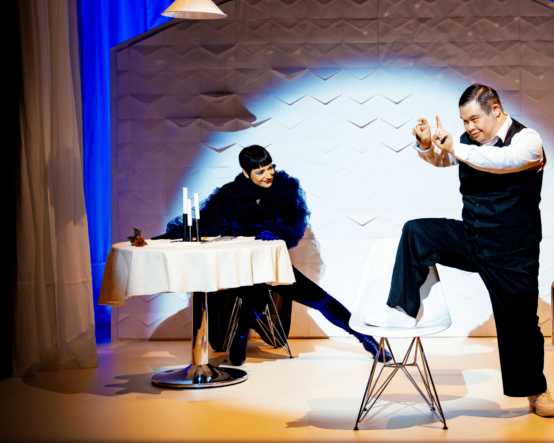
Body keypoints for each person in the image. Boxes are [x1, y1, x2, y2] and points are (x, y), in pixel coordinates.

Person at [363, 83, 554, 417]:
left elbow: (501, 161)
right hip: (472, 238)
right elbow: (444, 160)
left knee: (521, 326)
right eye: (463, 121)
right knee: (417, 231)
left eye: (473, 120)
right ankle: (403, 310)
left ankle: (536, 391)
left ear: (495, 110)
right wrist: (426, 145)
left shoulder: (528, 140)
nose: (469, 128)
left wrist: (455, 146)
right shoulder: (468, 141)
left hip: (514, 251)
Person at [156, 145, 384, 365]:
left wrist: (275, 232)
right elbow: (206, 225)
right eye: (259, 171)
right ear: (246, 173)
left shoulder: (284, 188)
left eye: (270, 167)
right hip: (240, 268)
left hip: (272, 265)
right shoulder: (229, 194)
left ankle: (366, 339)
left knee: (319, 299)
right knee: (256, 295)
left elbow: (292, 225)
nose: (268, 174)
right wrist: (162, 238)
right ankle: (240, 333)